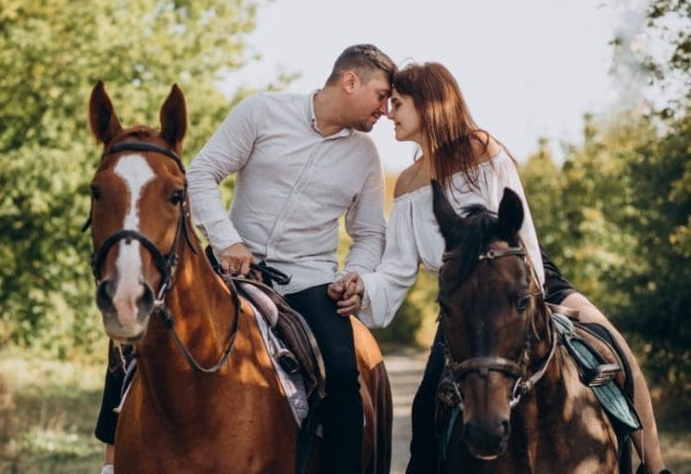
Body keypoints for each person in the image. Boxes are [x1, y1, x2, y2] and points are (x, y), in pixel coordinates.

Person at [332, 61, 667, 474]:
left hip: (527, 281)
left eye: (397, 103)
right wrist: (363, 288)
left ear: (429, 104)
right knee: (424, 410)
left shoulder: (483, 149)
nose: (388, 113)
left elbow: (521, 233)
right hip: (465, 304)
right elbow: (398, 270)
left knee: (614, 350)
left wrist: (531, 303)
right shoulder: (406, 184)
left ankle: (655, 466)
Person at [93, 44, 396, 473]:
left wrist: (356, 276)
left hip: (309, 282)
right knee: (136, 335)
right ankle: (111, 461)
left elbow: (368, 233)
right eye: (381, 96)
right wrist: (228, 240)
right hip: (230, 271)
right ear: (351, 81)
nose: (385, 110)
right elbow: (201, 173)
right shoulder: (261, 112)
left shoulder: (365, 155)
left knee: (344, 373)